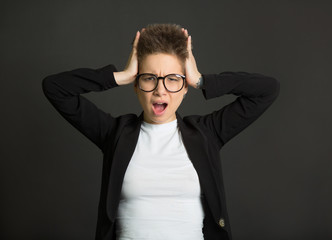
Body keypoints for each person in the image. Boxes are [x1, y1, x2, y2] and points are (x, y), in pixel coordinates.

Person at [42, 23, 280, 240]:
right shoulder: (115, 134)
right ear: (136, 86)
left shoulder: (206, 134)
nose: (160, 90)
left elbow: (267, 90)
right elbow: (55, 88)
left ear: (185, 87)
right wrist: (120, 76)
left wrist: (201, 80)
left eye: (173, 79)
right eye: (149, 78)